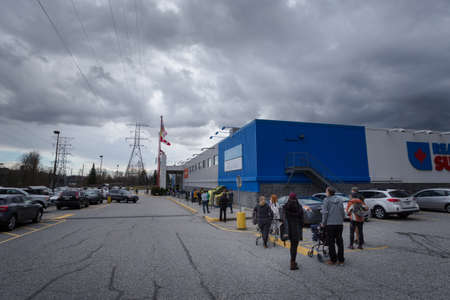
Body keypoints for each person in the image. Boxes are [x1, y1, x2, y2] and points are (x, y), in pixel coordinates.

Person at [321, 186, 345, 266]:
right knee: (339, 241)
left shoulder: (326, 200)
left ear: (328, 192)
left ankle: (333, 259)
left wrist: (323, 223)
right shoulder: (340, 199)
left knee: (331, 242)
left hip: (330, 224)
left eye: (326, 191)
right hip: (339, 224)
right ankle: (341, 260)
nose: (325, 192)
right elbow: (342, 211)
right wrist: (341, 220)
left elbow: (325, 213)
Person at [284, 193, 303, 270]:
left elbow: (284, 219)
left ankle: (292, 262)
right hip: (297, 228)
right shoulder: (299, 207)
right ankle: (293, 262)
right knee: (295, 246)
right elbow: (302, 220)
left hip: (289, 229)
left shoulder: (285, 207)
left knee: (292, 245)